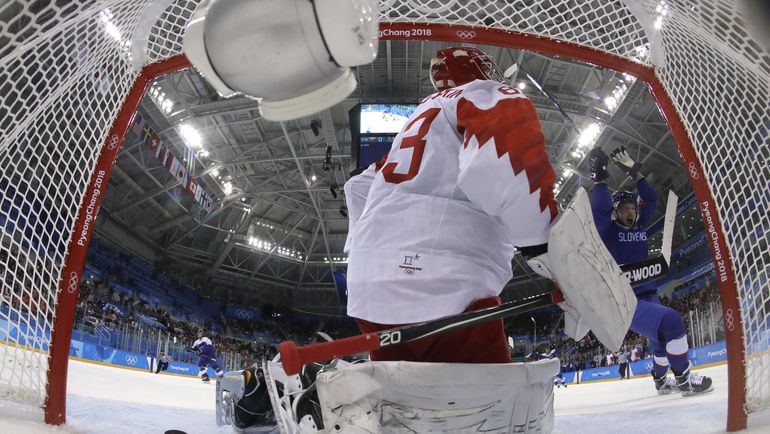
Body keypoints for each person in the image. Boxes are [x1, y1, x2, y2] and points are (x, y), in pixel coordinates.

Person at [588, 146, 713, 396]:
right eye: (624, 208)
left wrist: (636, 173)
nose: (630, 211)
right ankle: (684, 379)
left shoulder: (641, 224)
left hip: (649, 293)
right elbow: (600, 209)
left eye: (632, 207)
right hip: (626, 300)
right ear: (615, 212)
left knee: (659, 342)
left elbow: (652, 199)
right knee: (672, 321)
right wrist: (600, 180)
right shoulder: (608, 231)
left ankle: (660, 380)